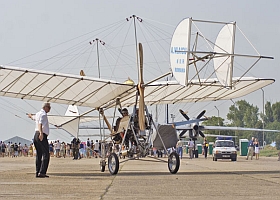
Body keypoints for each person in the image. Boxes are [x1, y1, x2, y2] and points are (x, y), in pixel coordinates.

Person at [28, 102, 51, 178]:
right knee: (46, 154)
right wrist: (41, 133)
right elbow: (40, 123)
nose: (50, 109)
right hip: (41, 134)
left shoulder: (38, 113)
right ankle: (42, 172)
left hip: (36, 135)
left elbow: (34, 118)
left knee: (39, 154)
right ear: (45, 107)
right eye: (49, 107)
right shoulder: (43, 114)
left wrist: (30, 116)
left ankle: (37, 171)